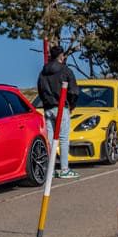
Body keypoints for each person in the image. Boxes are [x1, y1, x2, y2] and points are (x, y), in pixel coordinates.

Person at [37, 43, 81, 179]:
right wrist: (72, 105)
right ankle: (64, 168)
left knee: (49, 139)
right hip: (61, 107)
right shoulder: (65, 70)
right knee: (63, 138)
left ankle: (50, 168)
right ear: (61, 56)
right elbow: (74, 91)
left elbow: (40, 89)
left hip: (47, 108)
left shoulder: (43, 72)